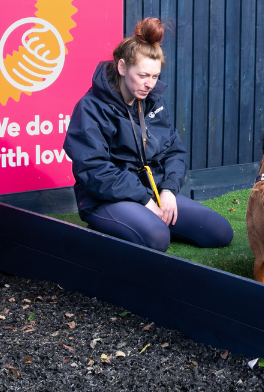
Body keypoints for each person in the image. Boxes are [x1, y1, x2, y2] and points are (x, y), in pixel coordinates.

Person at [63, 17, 233, 252]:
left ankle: (142, 220)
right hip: (104, 199)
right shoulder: (90, 107)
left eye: (154, 77)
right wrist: (143, 200)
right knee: (157, 237)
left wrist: (169, 190)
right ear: (122, 67)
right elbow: (93, 169)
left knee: (220, 232)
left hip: (152, 191)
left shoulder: (153, 102)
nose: (149, 84)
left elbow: (174, 150)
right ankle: (116, 224)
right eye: (142, 76)